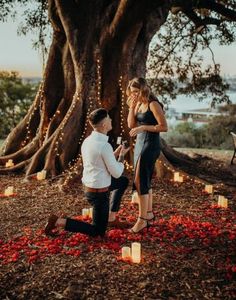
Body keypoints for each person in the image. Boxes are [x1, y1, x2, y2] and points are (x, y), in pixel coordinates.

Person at [45, 108, 130, 237]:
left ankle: (111, 217)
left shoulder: (88, 141)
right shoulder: (104, 146)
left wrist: (115, 153)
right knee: (98, 231)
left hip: (92, 187)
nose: (111, 119)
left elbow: (99, 162)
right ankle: (58, 221)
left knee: (123, 182)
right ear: (104, 125)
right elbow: (117, 173)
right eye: (109, 118)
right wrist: (122, 156)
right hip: (99, 193)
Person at [127, 77, 168, 233]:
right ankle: (149, 213)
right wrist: (131, 107)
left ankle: (142, 220)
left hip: (150, 145)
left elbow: (164, 127)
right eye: (132, 92)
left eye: (137, 92)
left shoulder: (153, 104)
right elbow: (131, 125)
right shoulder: (137, 104)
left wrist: (143, 127)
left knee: (140, 182)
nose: (134, 95)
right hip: (139, 145)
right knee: (144, 178)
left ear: (144, 89)